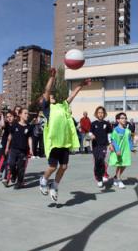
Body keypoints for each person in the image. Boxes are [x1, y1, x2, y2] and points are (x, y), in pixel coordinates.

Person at [39, 68, 91, 202]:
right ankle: (44, 180)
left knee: (64, 167)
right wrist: (52, 77)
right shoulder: (47, 108)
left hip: (64, 142)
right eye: (50, 96)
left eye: (52, 96)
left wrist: (81, 84)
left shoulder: (62, 106)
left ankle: (54, 186)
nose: (52, 96)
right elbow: (47, 91)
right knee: (52, 167)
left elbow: (72, 95)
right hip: (54, 143)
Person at [4, 108, 33, 188]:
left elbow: (29, 138)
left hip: (23, 151)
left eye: (28, 113)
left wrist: (31, 149)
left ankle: (19, 183)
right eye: (25, 113)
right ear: (20, 115)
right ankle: (13, 175)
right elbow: (10, 137)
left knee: (21, 168)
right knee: (11, 164)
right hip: (13, 149)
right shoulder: (15, 125)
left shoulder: (29, 127)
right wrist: (7, 147)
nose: (27, 115)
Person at [108, 112, 135, 189]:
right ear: (118, 120)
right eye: (122, 118)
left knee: (124, 164)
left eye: (125, 118)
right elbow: (113, 140)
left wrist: (131, 148)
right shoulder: (115, 130)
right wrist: (117, 150)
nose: (124, 120)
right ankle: (119, 180)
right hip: (118, 150)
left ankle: (116, 177)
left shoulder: (128, 130)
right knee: (119, 165)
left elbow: (129, 140)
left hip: (125, 151)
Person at [90, 106, 113, 188]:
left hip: (103, 145)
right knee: (97, 161)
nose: (100, 114)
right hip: (95, 146)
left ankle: (103, 175)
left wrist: (110, 144)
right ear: (96, 114)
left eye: (102, 113)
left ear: (104, 114)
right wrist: (91, 135)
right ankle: (99, 179)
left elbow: (109, 135)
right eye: (99, 112)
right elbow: (89, 132)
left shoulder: (107, 124)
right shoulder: (93, 124)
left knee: (101, 159)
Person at [0, 110, 16, 181]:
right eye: (7, 117)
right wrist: (2, 115)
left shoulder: (16, 124)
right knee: (6, 160)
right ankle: (3, 172)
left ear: (14, 117)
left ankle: (7, 176)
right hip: (5, 144)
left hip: (13, 144)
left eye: (10, 116)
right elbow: (2, 125)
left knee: (9, 161)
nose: (9, 118)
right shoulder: (6, 124)